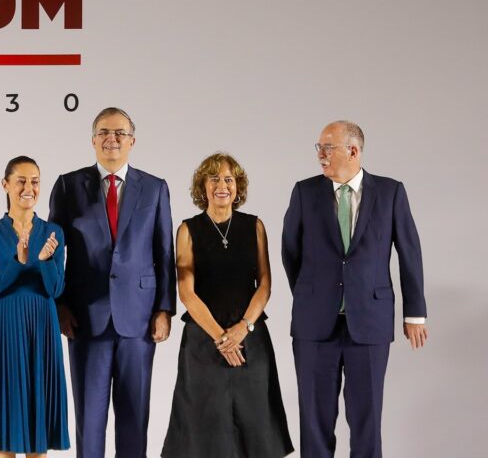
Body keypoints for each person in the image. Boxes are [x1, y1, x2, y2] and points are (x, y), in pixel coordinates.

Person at [282, 120, 429, 458]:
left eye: (327, 147)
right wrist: (311, 294)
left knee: (367, 421)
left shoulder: (391, 192)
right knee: (314, 423)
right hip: (314, 325)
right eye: (319, 147)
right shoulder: (304, 192)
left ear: (353, 150)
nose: (320, 154)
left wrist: (415, 313)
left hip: (371, 322)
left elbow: (410, 252)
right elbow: (291, 251)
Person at [48, 107, 176, 458]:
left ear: (132, 141)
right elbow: (53, 251)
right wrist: (58, 305)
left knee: (134, 418)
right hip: (85, 319)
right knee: (89, 421)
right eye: (104, 132)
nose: (112, 139)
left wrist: (164, 308)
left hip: (140, 318)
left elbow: (164, 251)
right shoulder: (68, 185)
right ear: (93, 140)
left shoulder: (154, 188)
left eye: (120, 133)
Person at [161, 153, 293, 458]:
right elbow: (186, 293)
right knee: (205, 426)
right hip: (203, 340)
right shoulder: (188, 230)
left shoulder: (254, 226)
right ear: (203, 186)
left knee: (256, 423)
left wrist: (243, 328)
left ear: (238, 186)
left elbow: (265, 284)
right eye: (214, 178)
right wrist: (222, 338)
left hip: (250, 339)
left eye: (229, 179)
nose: (222, 185)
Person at [0, 156, 70, 457]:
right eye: (21, 181)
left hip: (42, 328)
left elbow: (55, 289)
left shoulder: (54, 232)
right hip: (5, 330)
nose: (29, 188)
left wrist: (44, 261)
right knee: (5, 426)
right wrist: (19, 260)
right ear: (5, 185)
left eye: (35, 182)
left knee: (38, 426)